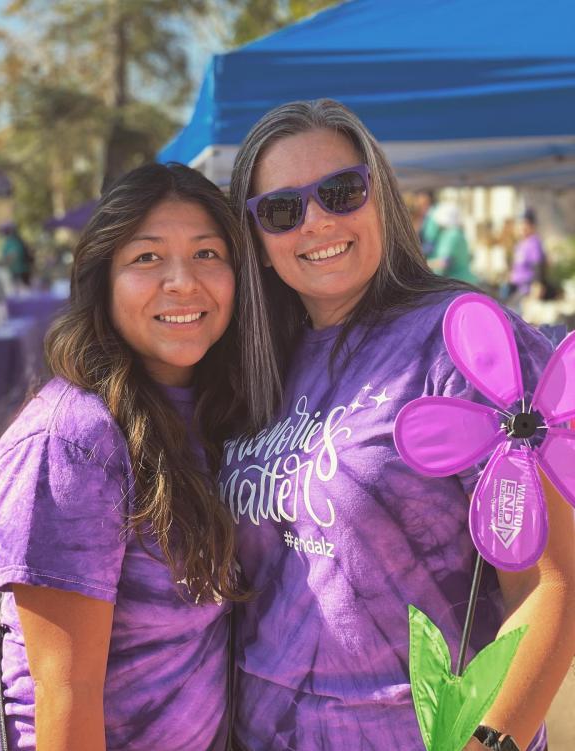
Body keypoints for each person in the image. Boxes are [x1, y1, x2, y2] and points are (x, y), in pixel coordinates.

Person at [221, 99, 575, 751]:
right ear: (259, 244)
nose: (317, 220)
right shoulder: (259, 364)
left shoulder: (465, 342)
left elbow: (551, 584)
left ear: (381, 195)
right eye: (281, 209)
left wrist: (485, 742)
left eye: (341, 190)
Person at [0, 162, 262, 751]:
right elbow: (65, 694)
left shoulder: (216, 411)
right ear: (102, 280)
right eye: (147, 258)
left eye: (208, 254)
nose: (183, 281)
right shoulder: (71, 441)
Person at [427, 202, 478, 284]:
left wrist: (423, 265)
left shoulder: (451, 235)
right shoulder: (457, 233)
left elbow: (445, 261)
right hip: (463, 281)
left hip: (457, 283)